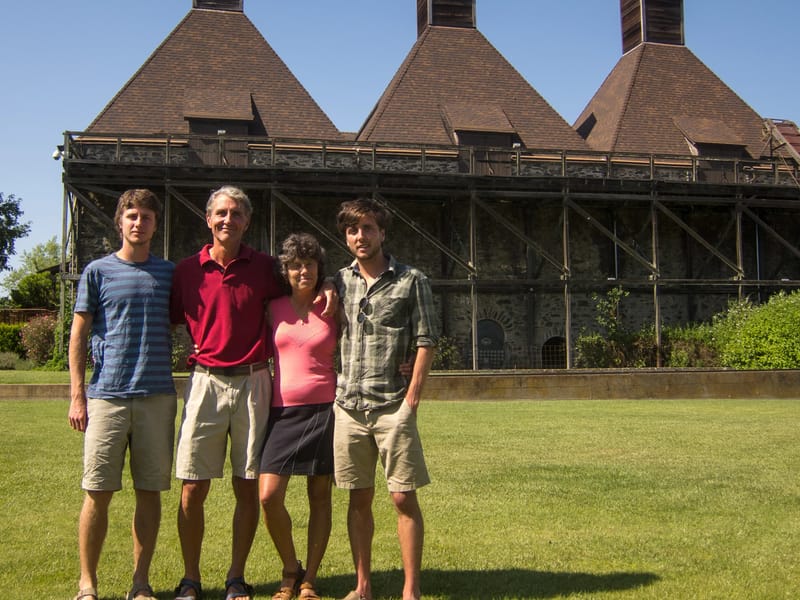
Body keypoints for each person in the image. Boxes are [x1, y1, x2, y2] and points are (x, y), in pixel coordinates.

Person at [170, 186, 336, 600]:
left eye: (237, 214)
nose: (229, 220)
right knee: (193, 486)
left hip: (254, 382)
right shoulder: (186, 270)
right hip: (205, 382)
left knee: (248, 486)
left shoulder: (265, 268)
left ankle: (236, 577)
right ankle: (191, 579)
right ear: (208, 220)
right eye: (221, 213)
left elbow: (306, 278)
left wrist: (330, 283)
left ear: (247, 221)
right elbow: (167, 317)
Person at [68, 189, 176, 600]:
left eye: (146, 216)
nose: (138, 223)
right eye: (132, 215)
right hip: (107, 396)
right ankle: (87, 583)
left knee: (149, 492)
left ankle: (141, 582)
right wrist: (77, 395)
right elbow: (79, 333)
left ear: (155, 224)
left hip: (157, 397)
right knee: (97, 492)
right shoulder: (97, 271)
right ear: (120, 222)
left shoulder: (169, 272)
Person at [333, 197, 439, 600]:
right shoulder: (338, 282)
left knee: (401, 496)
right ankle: (363, 586)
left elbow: (426, 340)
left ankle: (410, 590)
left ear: (383, 233)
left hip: (393, 403)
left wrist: (412, 398)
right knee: (358, 498)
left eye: (368, 228)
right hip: (348, 406)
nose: (361, 236)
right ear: (346, 236)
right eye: (353, 230)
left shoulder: (412, 280)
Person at [260, 233, 338, 600]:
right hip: (282, 413)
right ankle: (290, 568)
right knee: (268, 495)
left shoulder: (333, 306)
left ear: (319, 268)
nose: (302, 271)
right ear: (285, 270)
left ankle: (310, 579)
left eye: (309, 264)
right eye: (295, 265)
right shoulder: (272, 306)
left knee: (319, 494)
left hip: (326, 410)